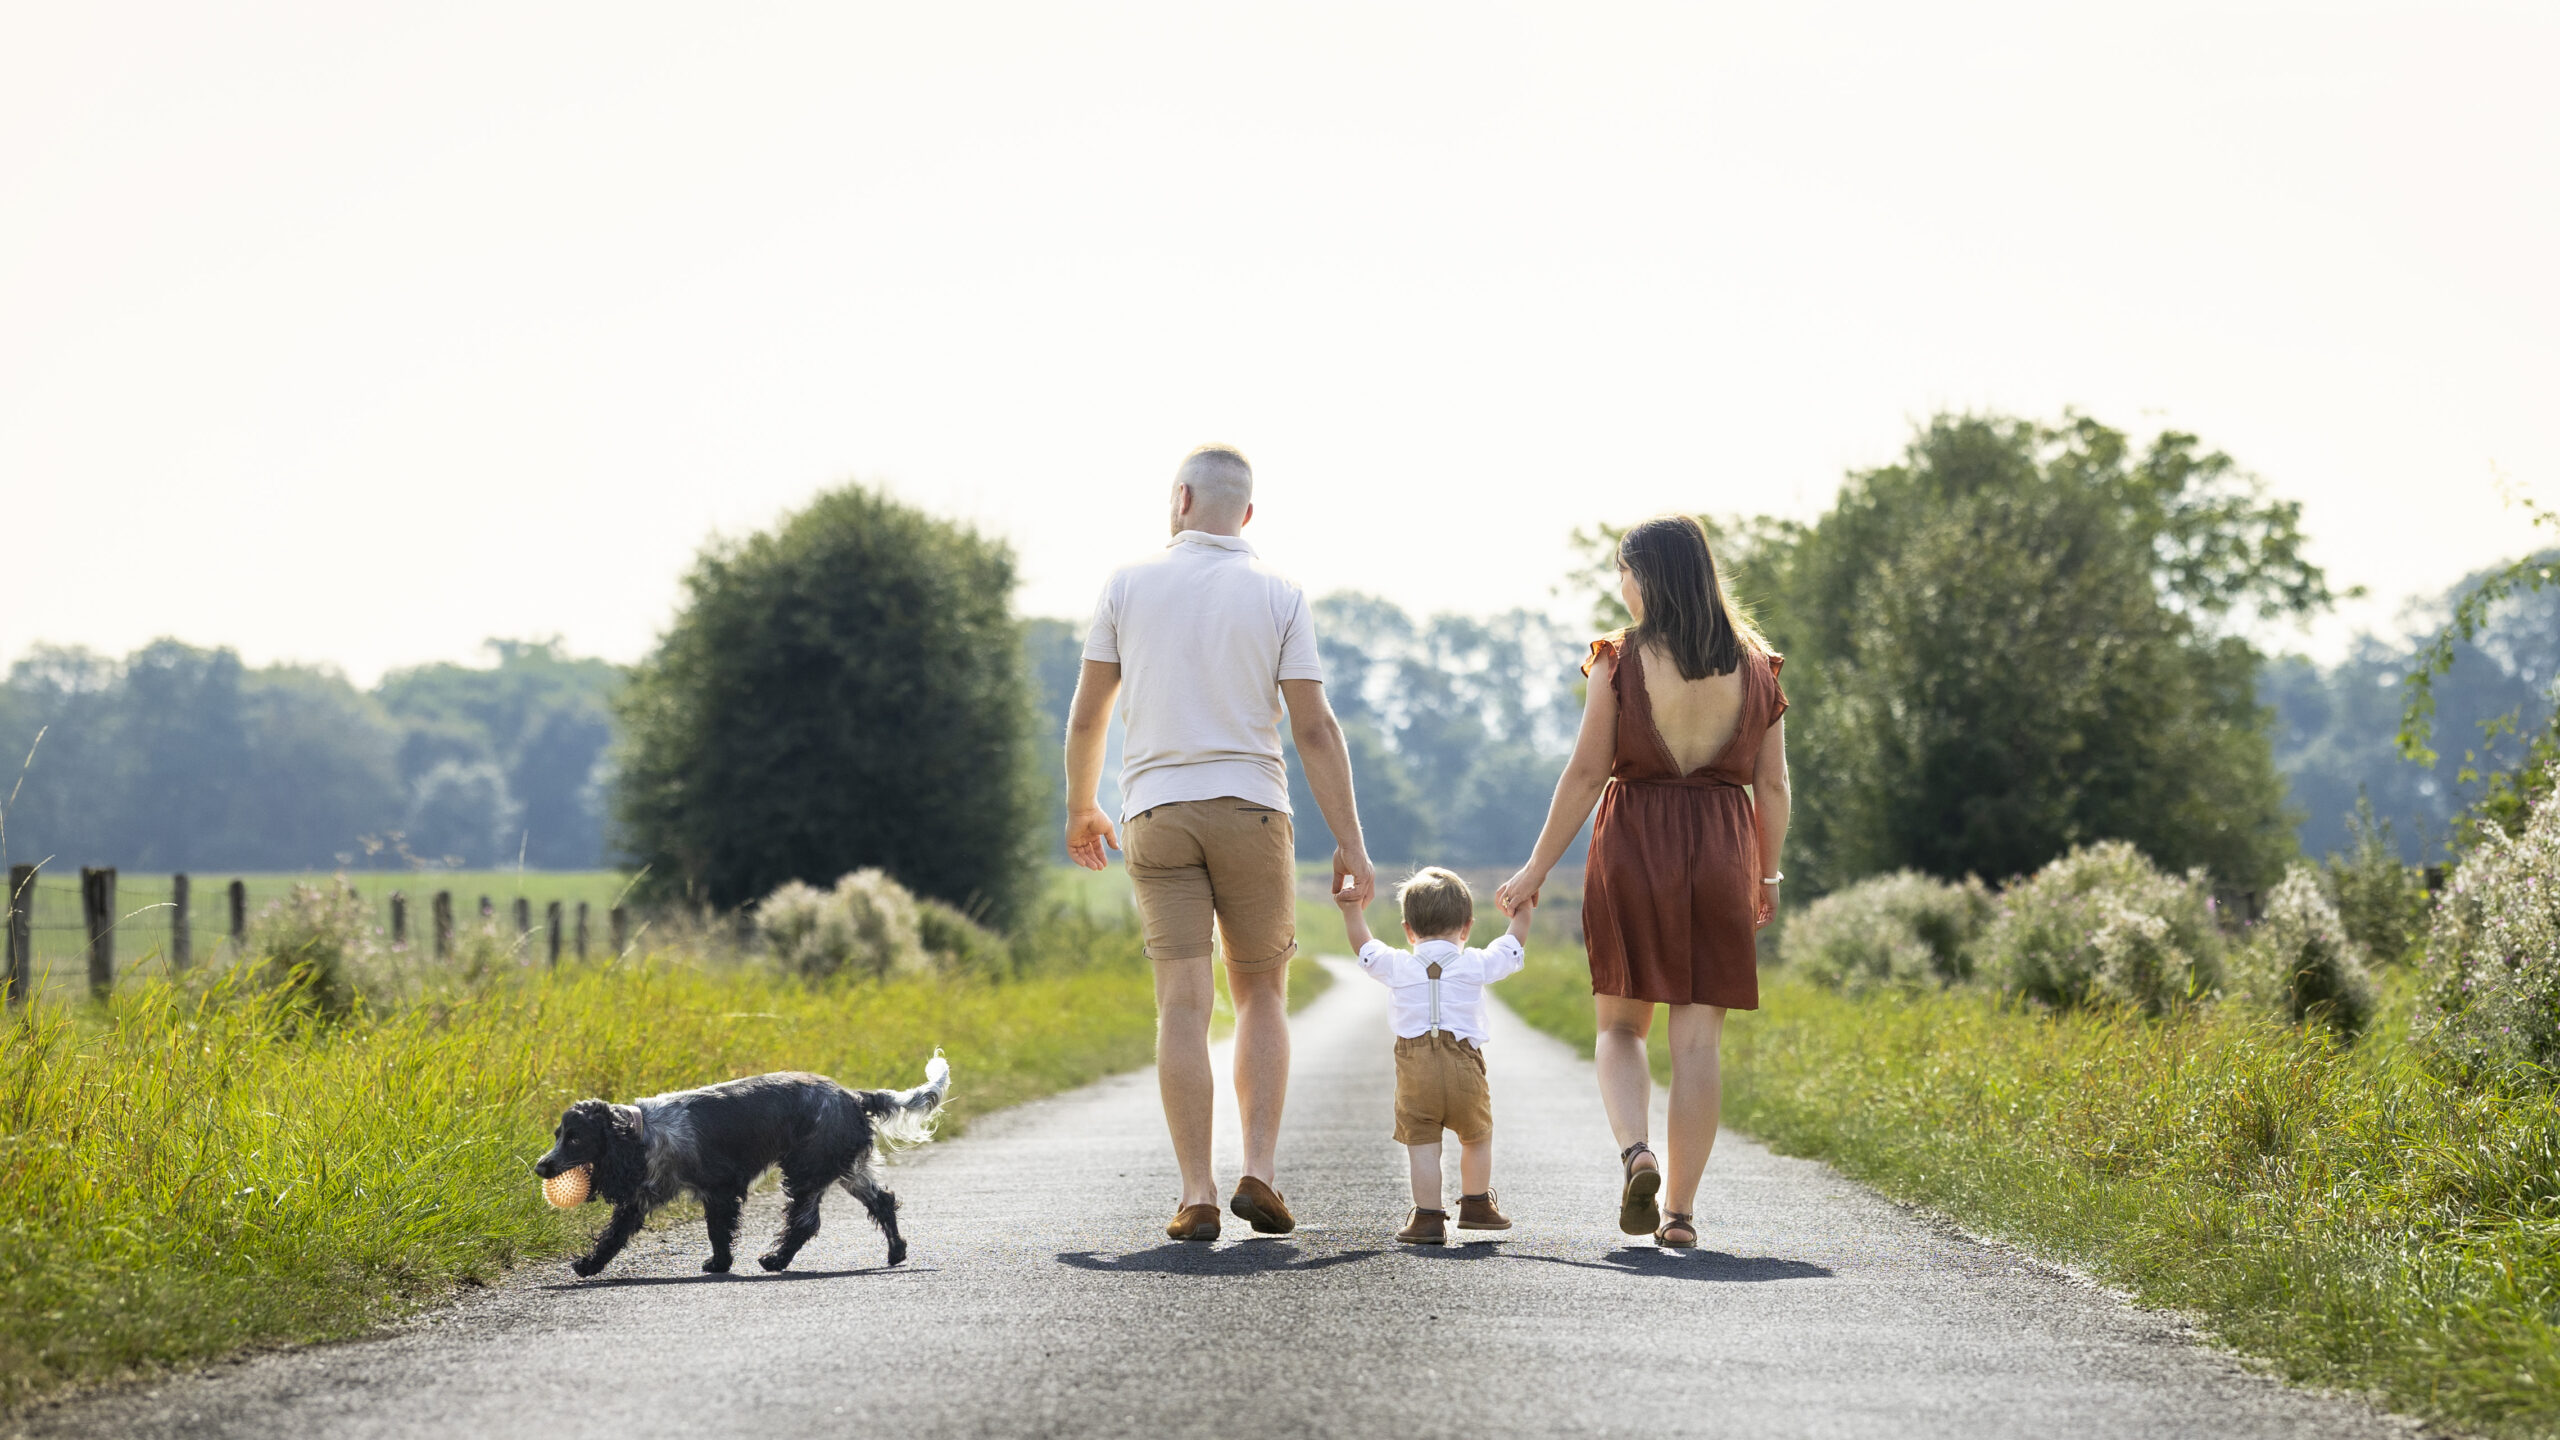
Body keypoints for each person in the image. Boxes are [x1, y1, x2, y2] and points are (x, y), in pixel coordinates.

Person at [1064, 444, 1376, 1244]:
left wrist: (1081, 806)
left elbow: (1090, 714)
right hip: (1252, 809)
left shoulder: (1127, 584)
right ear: (1246, 515)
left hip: (1156, 814)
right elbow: (1313, 726)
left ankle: (1196, 1192)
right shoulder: (1279, 591)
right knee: (1262, 994)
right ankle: (1259, 1175)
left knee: (1182, 1005)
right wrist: (1350, 842)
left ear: (1179, 500)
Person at [1495, 514, 1790, 1250]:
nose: (1619, 586)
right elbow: (1774, 785)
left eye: (1623, 571)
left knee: (1621, 1027)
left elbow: (1588, 772)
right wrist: (1766, 871)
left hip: (1635, 846)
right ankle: (1681, 1215)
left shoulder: (1617, 659)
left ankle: (1637, 1154)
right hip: (1724, 849)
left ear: (1646, 576)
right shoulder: (1758, 665)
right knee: (1696, 1047)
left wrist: (1535, 869)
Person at [1337, 866, 1530, 1245]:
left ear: (1409, 930)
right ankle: (1476, 1205)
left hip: (1415, 1070)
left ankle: (1427, 1218)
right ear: (1467, 927)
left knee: (1422, 1143)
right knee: (1476, 1136)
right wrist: (1524, 911)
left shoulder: (1398, 965)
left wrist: (1351, 910)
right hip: (1464, 1068)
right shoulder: (1474, 963)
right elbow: (1510, 948)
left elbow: (1365, 949)